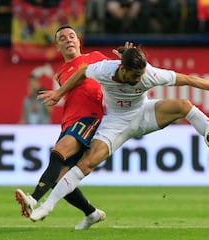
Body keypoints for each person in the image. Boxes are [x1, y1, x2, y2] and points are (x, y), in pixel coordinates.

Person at [31, 46, 209, 221]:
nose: (140, 78)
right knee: (87, 164)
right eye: (135, 75)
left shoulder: (149, 74)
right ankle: (47, 207)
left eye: (142, 74)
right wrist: (59, 92)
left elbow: (189, 80)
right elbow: (82, 71)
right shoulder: (104, 69)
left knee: (183, 105)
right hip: (116, 123)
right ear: (122, 69)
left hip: (144, 113)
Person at [14, 25, 128, 230]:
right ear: (57, 46)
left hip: (89, 118)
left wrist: (126, 57)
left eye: (71, 36)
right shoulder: (62, 73)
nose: (68, 40)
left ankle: (33, 199)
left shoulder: (95, 57)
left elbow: (123, 72)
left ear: (78, 41)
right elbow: (78, 78)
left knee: (57, 154)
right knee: (60, 179)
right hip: (69, 122)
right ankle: (91, 213)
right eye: (62, 38)